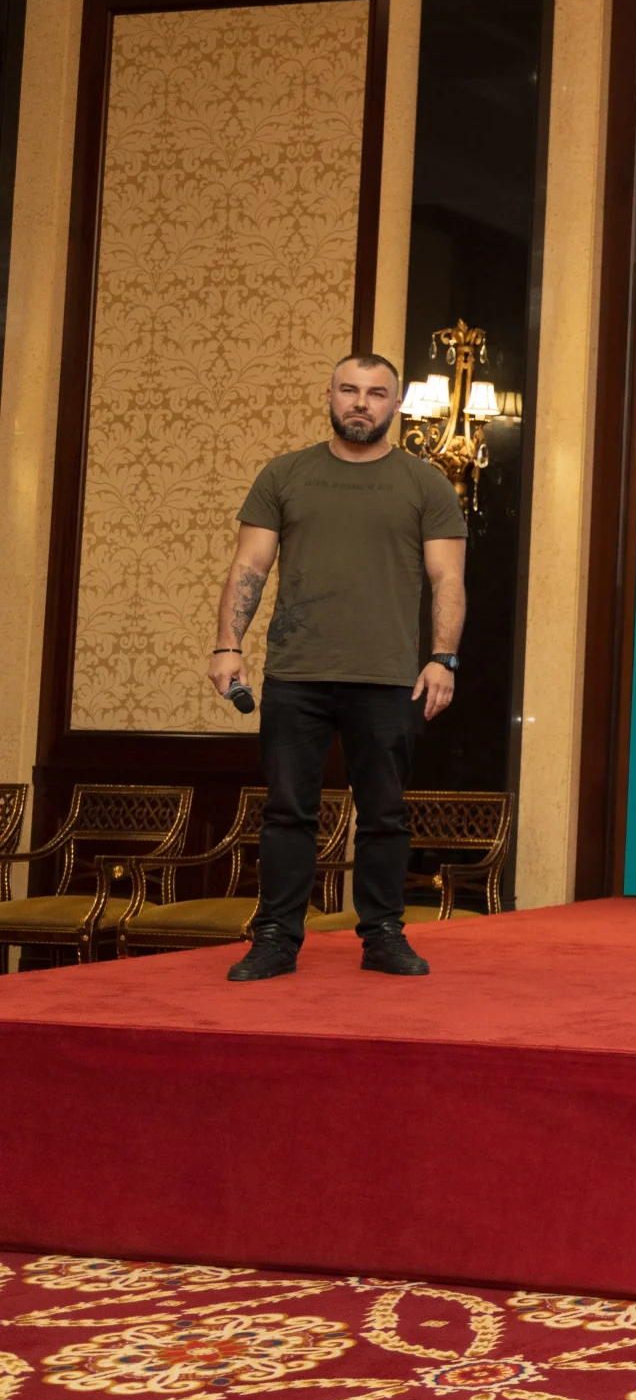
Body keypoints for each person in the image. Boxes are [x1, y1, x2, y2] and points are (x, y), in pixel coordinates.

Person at [207, 353, 468, 981]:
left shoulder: (426, 483)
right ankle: (275, 938)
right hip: (296, 672)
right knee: (286, 812)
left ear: (395, 405)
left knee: (384, 814)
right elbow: (249, 566)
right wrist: (227, 645)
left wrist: (443, 658)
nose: (360, 403)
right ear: (328, 396)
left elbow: (447, 578)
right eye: (349, 390)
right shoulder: (285, 473)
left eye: (376, 393)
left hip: (388, 676)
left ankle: (383, 936)